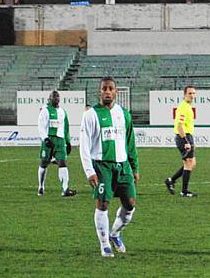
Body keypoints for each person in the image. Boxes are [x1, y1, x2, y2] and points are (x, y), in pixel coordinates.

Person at [79, 77, 140, 258]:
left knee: (130, 204)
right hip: (102, 165)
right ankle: (104, 243)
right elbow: (83, 144)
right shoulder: (90, 115)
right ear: (100, 91)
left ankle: (115, 233)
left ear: (116, 92)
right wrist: (89, 171)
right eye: (104, 88)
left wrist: (134, 167)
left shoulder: (124, 114)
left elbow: (130, 142)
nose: (107, 91)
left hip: (123, 166)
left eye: (110, 88)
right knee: (103, 204)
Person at [37, 90, 77, 197]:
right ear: (50, 99)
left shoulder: (62, 112)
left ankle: (65, 189)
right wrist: (45, 138)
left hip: (60, 141)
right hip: (49, 139)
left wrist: (68, 142)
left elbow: (66, 128)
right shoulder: (45, 111)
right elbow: (41, 126)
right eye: (54, 97)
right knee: (44, 163)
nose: (56, 99)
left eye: (57, 97)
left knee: (62, 163)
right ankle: (41, 186)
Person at [165, 85, 198, 198]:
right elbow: (179, 126)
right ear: (185, 94)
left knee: (191, 163)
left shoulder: (187, 106)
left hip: (188, 136)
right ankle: (184, 191)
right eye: (190, 93)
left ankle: (171, 180)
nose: (192, 96)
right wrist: (186, 141)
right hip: (184, 137)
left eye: (193, 93)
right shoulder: (183, 107)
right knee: (188, 163)